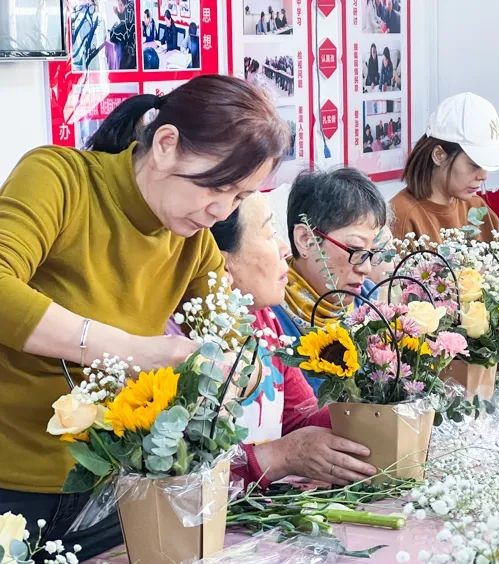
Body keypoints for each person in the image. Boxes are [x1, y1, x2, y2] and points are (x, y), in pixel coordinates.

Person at [0, 75, 289, 559]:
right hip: (14, 484)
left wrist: (234, 368)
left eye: (239, 198)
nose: (220, 212)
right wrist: (132, 351)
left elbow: (237, 340)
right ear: (166, 144)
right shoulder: (61, 179)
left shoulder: (193, 242)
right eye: (216, 186)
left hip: (117, 489)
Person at [209, 193, 377, 486]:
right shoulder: (184, 338)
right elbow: (178, 479)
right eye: (270, 234)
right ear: (222, 262)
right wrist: (280, 457)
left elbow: (300, 419)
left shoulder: (263, 321)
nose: (285, 249)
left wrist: (381, 404)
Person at [273, 169, 391, 393]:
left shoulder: (367, 299)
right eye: (355, 250)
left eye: (372, 253)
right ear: (306, 240)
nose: (365, 268)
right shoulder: (272, 318)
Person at [391, 92, 499, 243]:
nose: (484, 176)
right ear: (439, 155)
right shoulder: (401, 215)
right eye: (475, 165)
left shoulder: (477, 207)